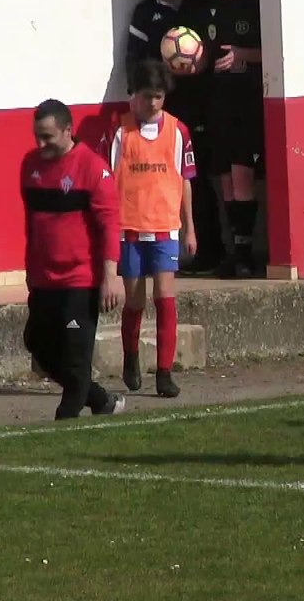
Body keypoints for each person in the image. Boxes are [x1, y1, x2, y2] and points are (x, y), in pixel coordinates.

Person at [22, 99, 126, 420]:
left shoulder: (93, 169)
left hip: (79, 281)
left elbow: (109, 225)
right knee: (36, 342)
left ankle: (66, 421)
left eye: (48, 137)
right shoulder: (30, 165)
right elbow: (34, 223)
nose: (41, 144)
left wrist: (111, 275)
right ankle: (99, 399)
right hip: (43, 279)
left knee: (74, 356)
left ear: (68, 131)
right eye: (37, 136)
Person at [125, 0, 223, 275]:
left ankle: (210, 250)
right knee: (158, 180)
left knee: (201, 180)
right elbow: (133, 62)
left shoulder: (203, 4)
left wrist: (202, 64)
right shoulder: (144, 12)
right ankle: (163, 256)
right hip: (160, 114)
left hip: (200, 108)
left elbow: (215, 49)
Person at [111, 61, 198, 398]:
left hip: (164, 227)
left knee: (165, 298)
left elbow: (186, 182)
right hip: (128, 228)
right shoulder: (120, 132)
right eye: (147, 97)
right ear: (133, 95)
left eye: (159, 97)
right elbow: (107, 182)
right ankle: (131, 357)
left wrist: (189, 228)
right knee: (135, 301)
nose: (153, 104)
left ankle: (164, 372)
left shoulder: (178, 132)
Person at [202, 0, 264, 279]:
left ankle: (244, 253)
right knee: (225, 178)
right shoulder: (206, 7)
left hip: (247, 104)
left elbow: (275, 51)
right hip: (217, 105)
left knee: (243, 177)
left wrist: (242, 55)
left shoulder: (255, 3)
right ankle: (232, 250)